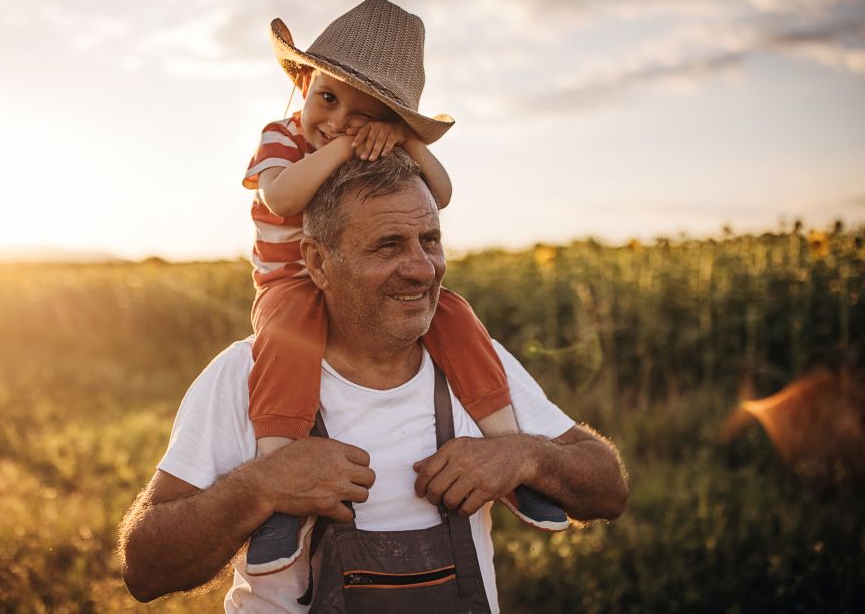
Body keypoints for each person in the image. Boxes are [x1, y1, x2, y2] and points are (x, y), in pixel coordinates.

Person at [118, 152, 629, 612]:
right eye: (388, 246)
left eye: (430, 241)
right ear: (317, 262)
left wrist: (525, 454)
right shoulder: (243, 375)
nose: (422, 269)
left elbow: (608, 491)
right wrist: (261, 486)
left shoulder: (478, 364)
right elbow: (144, 567)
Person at [242, 0, 568, 576]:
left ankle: (509, 451)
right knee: (286, 346)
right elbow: (281, 196)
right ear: (303, 81)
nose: (338, 120)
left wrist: (405, 139)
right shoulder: (284, 137)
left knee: (457, 318)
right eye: (327, 97)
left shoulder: (379, 150)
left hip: (364, 288)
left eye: (361, 114)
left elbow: (438, 194)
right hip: (291, 287)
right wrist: (347, 143)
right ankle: (281, 489)